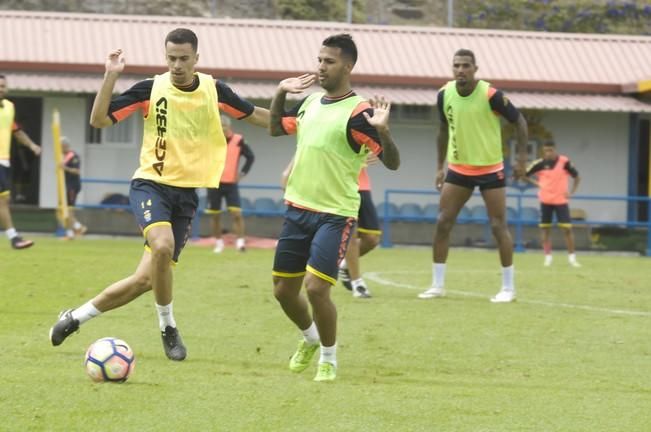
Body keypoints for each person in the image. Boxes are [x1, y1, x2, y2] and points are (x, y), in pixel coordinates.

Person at [49, 28, 269, 361]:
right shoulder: (150, 89)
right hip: (150, 184)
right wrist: (111, 76)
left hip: (185, 196)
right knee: (162, 246)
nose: (177, 65)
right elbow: (99, 120)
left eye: (183, 58)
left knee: (144, 280)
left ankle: (74, 317)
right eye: (171, 58)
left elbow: (257, 116)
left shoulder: (214, 90)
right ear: (164, 58)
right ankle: (168, 327)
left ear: (197, 58)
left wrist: (303, 119)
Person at [269, 34, 400, 381]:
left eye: (328, 61)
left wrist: (384, 133)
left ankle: (329, 357)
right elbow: (274, 129)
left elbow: (392, 162)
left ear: (348, 66)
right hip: (297, 209)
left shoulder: (360, 113)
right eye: (319, 59)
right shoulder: (309, 103)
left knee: (316, 288)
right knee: (283, 291)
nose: (320, 67)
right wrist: (282, 92)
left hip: (335, 214)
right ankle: (309, 338)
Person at [418, 48, 528, 303]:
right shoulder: (444, 94)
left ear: (475, 69)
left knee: (498, 226)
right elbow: (443, 130)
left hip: (491, 169)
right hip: (459, 169)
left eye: (466, 66)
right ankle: (437, 285)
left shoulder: (490, 94)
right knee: (443, 222)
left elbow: (520, 122)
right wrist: (439, 166)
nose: (460, 70)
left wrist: (521, 159)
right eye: (456, 65)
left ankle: (508, 289)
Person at [524, 140, 581, 267]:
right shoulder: (539, 163)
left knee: (567, 228)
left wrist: (571, 192)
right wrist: (537, 183)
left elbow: (577, 177)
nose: (548, 153)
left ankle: (572, 258)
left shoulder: (564, 162)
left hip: (561, 200)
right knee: (545, 228)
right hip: (545, 200)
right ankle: (547, 257)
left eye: (550, 150)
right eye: (546, 150)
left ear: (555, 149)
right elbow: (524, 174)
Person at [0, 74, 41, 250]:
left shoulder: (9, 107)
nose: (1, 89)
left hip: (4, 161)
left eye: (3, 86)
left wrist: (32, 145)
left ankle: (14, 237)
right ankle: (14, 237)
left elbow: (16, 131)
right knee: (3, 201)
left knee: (4, 200)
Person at [206, 115, 254, 253]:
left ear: (229, 127)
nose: (221, 128)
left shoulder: (239, 140)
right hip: (214, 183)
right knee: (215, 215)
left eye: (223, 126)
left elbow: (250, 157)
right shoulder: (212, 140)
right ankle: (218, 243)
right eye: (219, 126)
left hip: (231, 184)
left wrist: (242, 174)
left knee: (236, 214)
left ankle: (240, 242)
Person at [337, 165, 381, 298]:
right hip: (339, 184)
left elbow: (377, 148)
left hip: (362, 184)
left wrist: (374, 150)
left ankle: (344, 264)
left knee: (372, 239)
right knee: (351, 232)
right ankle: (358, 284)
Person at [59, 137, 87, 239]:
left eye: (61, 146)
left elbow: (77, 171)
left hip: (73, 186)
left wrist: (65, 168)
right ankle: (73, 231)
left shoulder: (74, 156)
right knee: (64, 210)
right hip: (67, 185)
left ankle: (77, 228)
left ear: (65, 146)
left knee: (69, 210)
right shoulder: (64, 157)